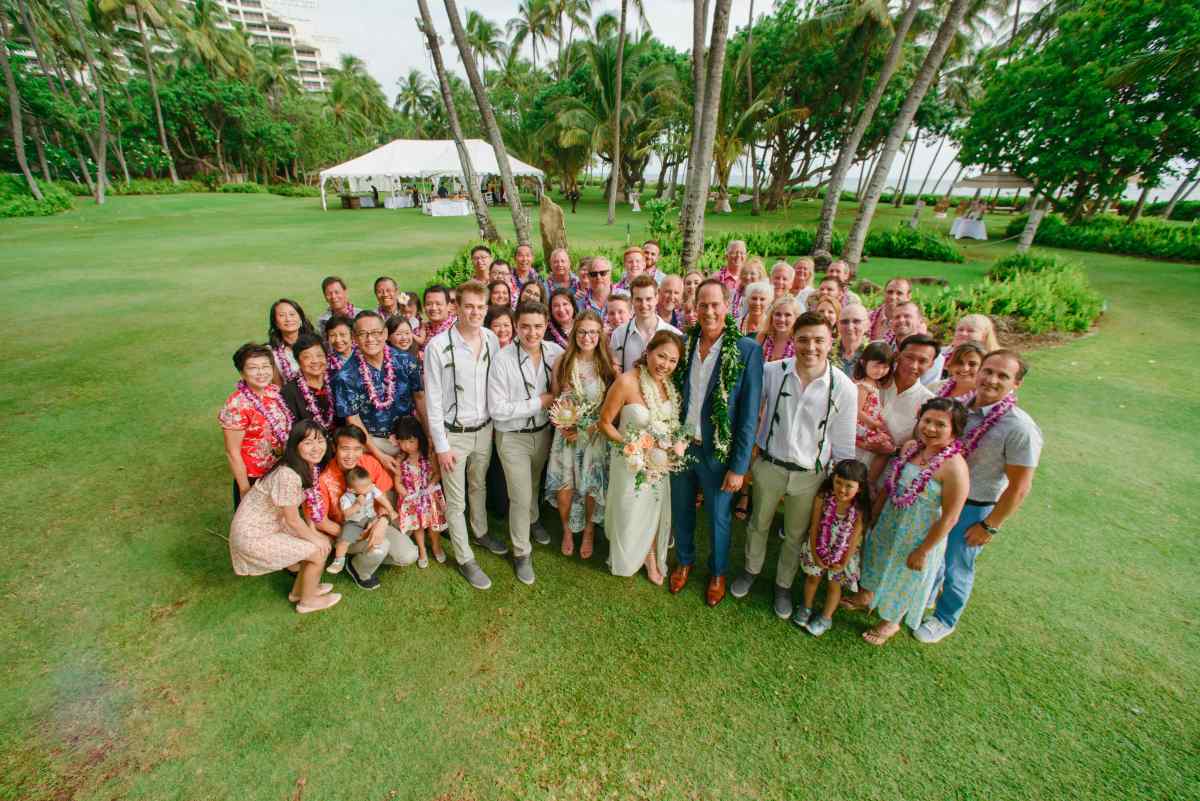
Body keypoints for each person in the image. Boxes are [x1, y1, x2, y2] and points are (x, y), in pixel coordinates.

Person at [730, 312, 857, 619]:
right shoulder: (773, 371)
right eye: (803, 339)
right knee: (758, 523)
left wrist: (837, 488)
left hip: (810, 475)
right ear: (793, 340)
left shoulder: (843, 386)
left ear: (830, 343)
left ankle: (783, 585)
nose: (810, 347)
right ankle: (750, 570)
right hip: (770, 466)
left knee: (795, 534)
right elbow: (747, 406)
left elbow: (843, 443)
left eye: (818, 340)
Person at [915, 350, 1042, 644]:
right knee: (933, 554)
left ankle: (945, 619)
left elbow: (1020, 486)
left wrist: (990, 525)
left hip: (974, 508)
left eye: (1003, 376)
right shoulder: (957, 407)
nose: (991, 379)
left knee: (958, 564)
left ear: (1016, 384)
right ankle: (926, 595)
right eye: (988, 371)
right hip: (937, 497)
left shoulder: (1019, 427)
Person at [670, 280, 764, 606]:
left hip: (719, 453)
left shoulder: (747, 350)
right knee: (681, 509)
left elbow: (749, 415)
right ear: (694, 307)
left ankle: (718, 571)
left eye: (715, 305)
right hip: (683, 445)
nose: (708, 311)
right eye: (702, 305)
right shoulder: (684, 344)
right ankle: (683, 561)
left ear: (728, 306)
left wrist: (739, 467)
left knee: (719, 517)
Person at [854, 398, 969, 646]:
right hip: (892, 520)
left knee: (904, 575)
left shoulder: (955, 467)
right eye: (927, 421)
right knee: (877, 557)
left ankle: (891, 621)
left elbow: (950, 517)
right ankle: (866, 595)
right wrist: (875, 513)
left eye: (940, 424)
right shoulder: (911, 448)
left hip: (920, 534)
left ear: (955, 430)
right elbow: (891, 483)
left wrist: (923, 550)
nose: (930, 428)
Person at [424, 280, 506, 590]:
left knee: (479, 485)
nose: (474, 312)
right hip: (453, 435)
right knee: (456, 501)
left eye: (480, 307)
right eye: (468, 306)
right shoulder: (438, 346)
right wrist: (441, 446)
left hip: (484, 430)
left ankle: (481, 532)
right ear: (455, 307)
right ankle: (465, 557)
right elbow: (432, 400)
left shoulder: (490, 338)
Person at [599, 330, 685, 584]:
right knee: (630, 508)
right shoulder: (627, 381)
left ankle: (649, 556)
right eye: (661, 356)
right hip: (629, 460)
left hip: (658, 463)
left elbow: (671, 425)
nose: (665, 365)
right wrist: (632, 446)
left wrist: (674, 444)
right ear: (648, 351)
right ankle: (631, 553)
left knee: (653, 507)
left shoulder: (669, 386)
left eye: (672, 361)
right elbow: (605, 423)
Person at [228, 420, 340, 614]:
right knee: (318, 551)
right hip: (254, 535)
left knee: (316, 544)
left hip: (270, 525)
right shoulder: (288, 475)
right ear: (295, 446)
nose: (316, 448)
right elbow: (292, 520)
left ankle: (300, 591)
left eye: (320, 440)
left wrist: (313, 532)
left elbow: (303, 508)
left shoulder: (306, 466)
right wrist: (315, 538)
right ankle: (308, 601)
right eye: (308, 443)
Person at [489, 302, 564, 584]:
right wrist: (539, 402)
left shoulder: (555, 352)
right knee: (519, 496)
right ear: (516, 326)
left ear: (546, 326)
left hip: (543, 433)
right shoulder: (502, 359)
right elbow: (498, 409)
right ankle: (521, 552)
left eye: (538, 326)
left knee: (533, 484)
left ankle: (533, 521)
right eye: (525, 327)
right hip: (512, 438)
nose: (531, 333)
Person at [311, 425, 420, 590]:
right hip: (347, 534)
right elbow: (321, 522)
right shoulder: (323, 480)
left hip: (373, 521)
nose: (351, 455)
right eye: (345, 449)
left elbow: (383, 494)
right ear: (334, 448)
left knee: (409, 555)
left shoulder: (368, 463)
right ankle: (360, 570)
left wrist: (382, 522)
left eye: (357, 449)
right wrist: (354, 534)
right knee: (380, 547)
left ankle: (361, 558)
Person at [545, 310, 616, 559]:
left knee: (589, 486)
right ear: (575, 333)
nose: (588, 337)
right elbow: (555, 399)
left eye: (593, 332)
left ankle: (587, 530)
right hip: (565, 437)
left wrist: (589, 427)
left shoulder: (608, 366)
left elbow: (611, 407)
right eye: (583, 331)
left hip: (594, 436)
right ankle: (566, 529)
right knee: (565, 485)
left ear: (600, 335)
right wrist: (564, 425)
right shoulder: (562, 362)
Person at [332, 311, 424, 472]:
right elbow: (353, 420)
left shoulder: (406, 361)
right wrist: (379, 455)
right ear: (354, 337)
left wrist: (429, 436)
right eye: (363, 334)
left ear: (386, 333)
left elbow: (420, 398)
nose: (370, 339)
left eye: (376, 332)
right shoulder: (345, 377)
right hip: (374, 443)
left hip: (410, 437)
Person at [795, 459, 871, 636]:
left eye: (849, 486)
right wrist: (815, 553)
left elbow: (854, 539)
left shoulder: (859, 509)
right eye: (838, 482)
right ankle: (806, 607)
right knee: (812, 578)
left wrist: (844, 562)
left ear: (859, 488)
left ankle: (825, 618)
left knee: (833, 585)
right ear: (833, 479)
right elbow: (814, 525)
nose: (842, 489)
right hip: (818, 544)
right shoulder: (823, 497)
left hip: (843, 554)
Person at [220, 343, 294, 508]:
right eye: (253, 368)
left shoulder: (273, 392)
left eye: (265, 366)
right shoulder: (237, 405)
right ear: (242, 372)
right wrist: (245, 488)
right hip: (255, 477)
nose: (261, 373)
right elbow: (232, 452)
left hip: (280, 468)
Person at [390, 415, 449, 569]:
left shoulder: (428, 456)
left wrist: (431, 485)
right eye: (402, 441)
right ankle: (422, 550)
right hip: (411, 499)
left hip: (428, 498)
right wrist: (406, 495)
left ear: (419, 439)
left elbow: (437, 474)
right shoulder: (400, 460)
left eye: (411, 441)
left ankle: (436, 546)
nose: (406, 446)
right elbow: (397, 482)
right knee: (418, 526)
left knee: (432, 524)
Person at [874, 334, 938, 469]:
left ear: (931, 365)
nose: (913, 366)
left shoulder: (928, 402)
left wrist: (892, 449)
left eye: (922, 361)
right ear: (897, 355)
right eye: (909, 357)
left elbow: (918, 445)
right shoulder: (873, 381)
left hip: (884, 470)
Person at [327, 465, 398, 574]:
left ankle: (375, 546)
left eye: (370, 483)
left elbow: (382, 499)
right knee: (343, 541)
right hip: (353, 522)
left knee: (377, 527)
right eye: (365, 486)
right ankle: (339, 561)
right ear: (351, 489)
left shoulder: (371, 489)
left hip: (370, 517)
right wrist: (357, 504)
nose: (370, 487)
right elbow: (346, 513)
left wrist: (390, 510)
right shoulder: (346, 498)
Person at [611, 275, 682, 373]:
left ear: (656, 298)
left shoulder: (675, 334)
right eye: (638, 299)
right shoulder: (619, 334)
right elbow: (616, 372)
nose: (644, 305)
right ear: (632, 300)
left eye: (648, 299)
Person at [281, 333, 336, 433]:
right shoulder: (289, 391)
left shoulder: (336, 381)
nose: (315, 361)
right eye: (307, 357)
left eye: (319, 355)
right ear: (298, 361)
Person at [853, 342, 897, 464]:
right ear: (863, 363)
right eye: (876, 366)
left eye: (885, 367)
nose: (880, 371)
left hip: (871, 424)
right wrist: (873, 424)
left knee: (887, 448)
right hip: (862, 426)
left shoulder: (877, 385)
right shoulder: (862, 386)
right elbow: (856, 411)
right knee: (884, 448)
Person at [890, 301, 944, 384]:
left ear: (920, 320)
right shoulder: (883, 347)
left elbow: (925, 389)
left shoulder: (933, 356)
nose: (901, 320)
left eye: (907, 316)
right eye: (897, 317)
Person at [267, 298, 317, 385]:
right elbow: (276, 386)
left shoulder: (316, 344)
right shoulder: (270, 352)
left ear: (301, 319)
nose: (288, 319)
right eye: (282, 315)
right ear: (275, 322)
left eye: (292, 314)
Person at [757, 295, 801, 363]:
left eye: (787, 315)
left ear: (796, 318)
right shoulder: (763, 337)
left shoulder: (799, 341)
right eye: (778, 314)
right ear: (772, 316)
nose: (782, 319)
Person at [868, 278, 911, 346]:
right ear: (884, 293)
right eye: (890, 292)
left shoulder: (914, 323)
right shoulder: (868, 317)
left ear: (908, 296)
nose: (893, 297)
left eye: (899, 293)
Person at [415, 285, 454, 354]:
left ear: (449, 306)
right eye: (429, 304)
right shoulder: (421, 329)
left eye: (438, 304)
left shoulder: (456, 329)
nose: (433, 308)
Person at [835, 302, 870, 376]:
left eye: (856, 321)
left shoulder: (873, 354)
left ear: (867, 325)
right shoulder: (826, 352)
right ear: (838, 325)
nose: (850, 327)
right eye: (845, 322)